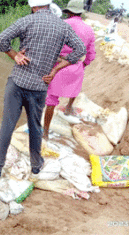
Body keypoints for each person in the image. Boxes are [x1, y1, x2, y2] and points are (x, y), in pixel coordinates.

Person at [0, 0, 86, 179]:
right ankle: (36, 165)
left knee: (7, 125)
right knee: (35, 127)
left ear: (34, 6)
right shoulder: (62, 27)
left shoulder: (26, 21)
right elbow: (80, 49)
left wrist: (15, 55)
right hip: (39, 86)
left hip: (18, 82)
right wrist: (56, 69)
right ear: (48, 5)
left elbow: (2, 39)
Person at [43, 0, 96, 140]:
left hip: (60, 64)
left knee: (51, 99)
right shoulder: (89, 30)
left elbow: (50, 45)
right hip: (76, 65)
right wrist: (83, 64)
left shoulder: (63, 24)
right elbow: (91, 54)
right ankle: (68, 108)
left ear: (69, 12)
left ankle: (45, 132)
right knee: (75, 86)